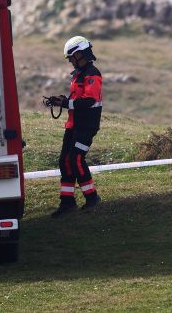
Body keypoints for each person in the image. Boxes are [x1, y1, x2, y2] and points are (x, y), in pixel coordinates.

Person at [49, 35, 104, 217]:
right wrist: (61, 100)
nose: (70, 61)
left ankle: (92, 197)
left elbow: (88, 100)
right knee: (65, 161)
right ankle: (67, 202)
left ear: (79, 54)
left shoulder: (92, 74)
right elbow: (77, 99)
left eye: (71, 57)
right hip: (74, 125)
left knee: (76, 159)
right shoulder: (79, 74)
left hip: (86, 126)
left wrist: (65, 104)